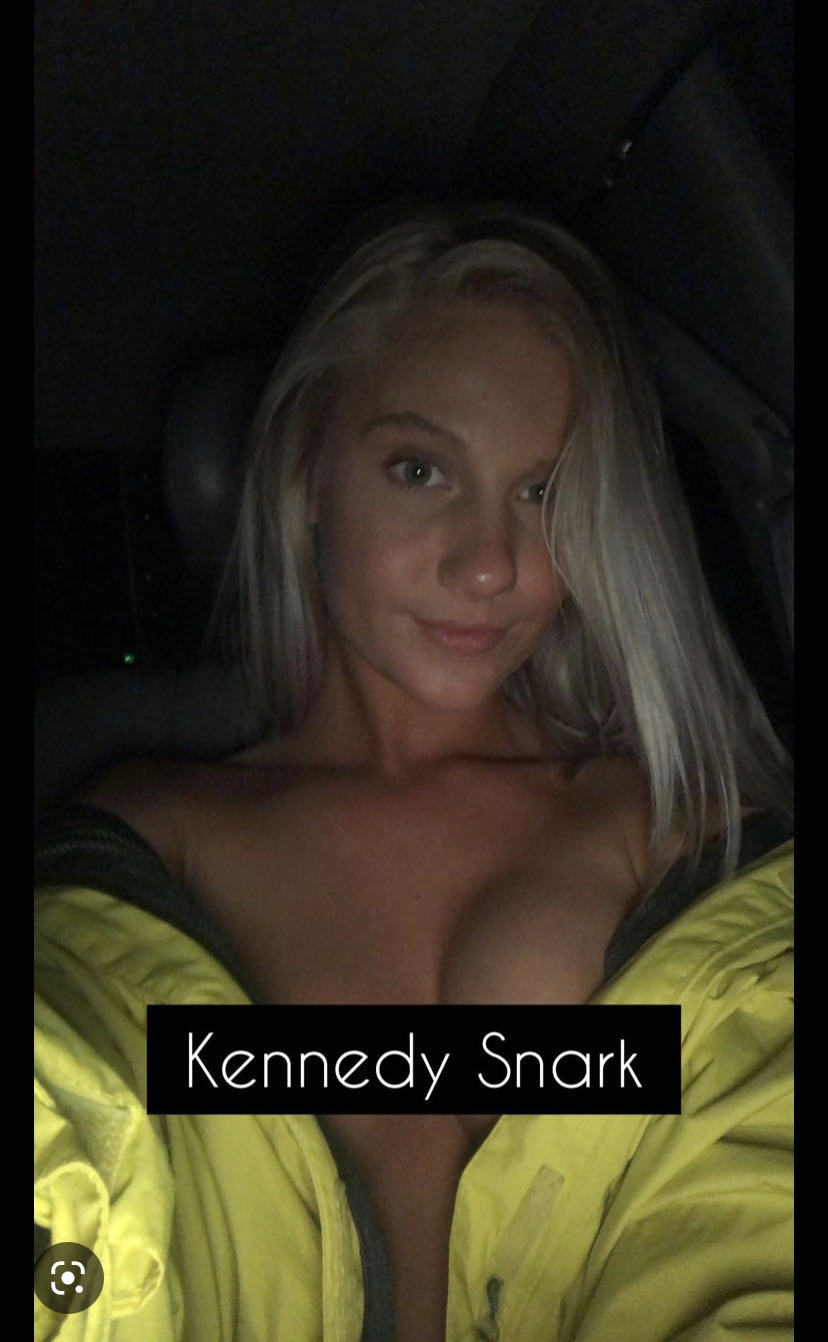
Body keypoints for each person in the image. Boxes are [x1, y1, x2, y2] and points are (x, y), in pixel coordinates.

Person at [34, 202, 793, 1342]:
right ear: (306, 471)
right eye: (420, 468)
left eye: (544, 491)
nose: (490, 564)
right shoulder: (152, 836)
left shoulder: (672, 824)